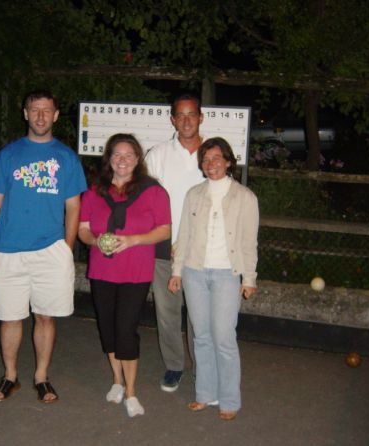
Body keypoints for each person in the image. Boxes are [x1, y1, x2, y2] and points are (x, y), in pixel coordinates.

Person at [0, 89, 87, 404]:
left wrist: (66, 249)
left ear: (56, 115)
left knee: (45, 316)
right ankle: (10, 376)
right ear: (25, 114)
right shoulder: (8, 155)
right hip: (8, 250)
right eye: (34, 110)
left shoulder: (66, 158)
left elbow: (74, 206)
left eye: (46, 110)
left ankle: (41, 377)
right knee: (9, 317)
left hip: (50, 250)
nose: (40, 116)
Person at [78, 134, 171, 417]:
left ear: (137, 158)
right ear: (109, 158)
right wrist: (96, 241)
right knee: (107, 327)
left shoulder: (153, 191)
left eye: (128, 154)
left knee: (126, 329)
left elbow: (164, 230)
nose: (122, 160)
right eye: (117, 154)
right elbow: (83, 229)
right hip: (102, 269)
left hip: (135, 271)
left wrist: (133, 240)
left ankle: (131, 391)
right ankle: (116, 381)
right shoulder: (94, 191)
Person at [168, 137, 259, 421]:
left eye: (216, 158)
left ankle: (230, 399)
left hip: (227, 275)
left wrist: (249, 278)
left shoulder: (245, 197)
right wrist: (177, 271)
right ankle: (205, 394)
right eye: (206, 160)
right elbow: (184, 236)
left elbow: (249, 242)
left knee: (224, 337)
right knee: (202, 336)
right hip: (194, 272)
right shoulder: (194, 194)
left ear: (228, 161)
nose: (211, 164)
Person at [145, 93, 206, 392]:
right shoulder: (157, 154)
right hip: (164, 247)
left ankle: (203, 368)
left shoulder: (213, 153)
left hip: (203, 249)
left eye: (191, 114)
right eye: (180, 115)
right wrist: (163, 236)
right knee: (167, 312)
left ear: (201, 117)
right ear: (172, 120)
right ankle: (174, 366)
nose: (186, 121)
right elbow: (145, 201)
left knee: (199, 314)